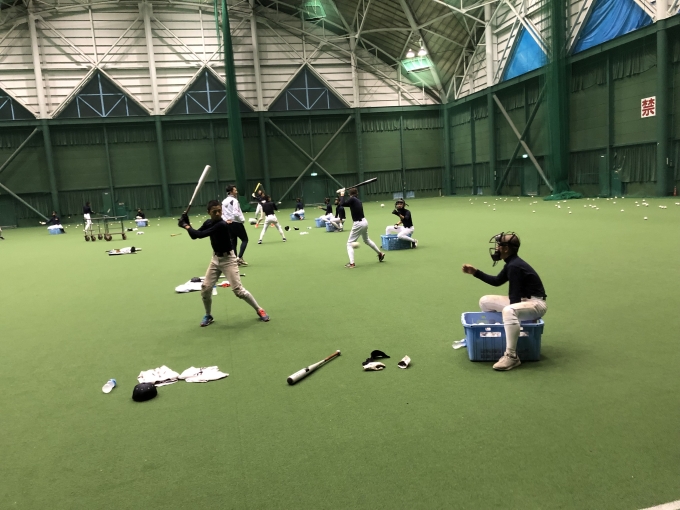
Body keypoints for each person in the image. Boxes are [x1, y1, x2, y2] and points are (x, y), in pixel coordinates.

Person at [462, 232, 547, 371]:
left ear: (506, 249)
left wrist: (511, 312)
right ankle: (495, 336)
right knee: (485, 301)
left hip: (536, 305)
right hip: (525, 301)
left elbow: (514, 295)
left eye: (499, 245)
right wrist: (475, 272)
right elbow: (497, 281)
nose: (496, 248)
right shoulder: (511, 263)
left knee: (509, 310)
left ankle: (511, 356)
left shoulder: (514, 266)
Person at [178, 200, 270, 326]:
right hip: (215, 259)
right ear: (208, 212)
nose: (217, 213)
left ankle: (259, 310)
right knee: (205, 288)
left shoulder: (222, 224)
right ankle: (208, 315)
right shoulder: (208, 222)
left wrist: (185, 225)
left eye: (219, 211)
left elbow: (200, 234)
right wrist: (187, 222)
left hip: (229, 260)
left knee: (238, 291)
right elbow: (194, 235)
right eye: (214, 211)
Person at [338, 187, 385, 268]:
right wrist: (341, 195)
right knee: (366, 240)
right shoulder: (357, 200)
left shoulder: (352, 199)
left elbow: (342, 204)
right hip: (364, 222)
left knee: (349, 244)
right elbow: (344, 204)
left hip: (358, 224)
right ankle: (380, 253)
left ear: (350, 194)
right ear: (357, 194)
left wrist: (342, 194)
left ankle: (352, 263)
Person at [222, 185, 249, 267]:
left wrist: (226, 220)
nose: (236, 192)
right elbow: (236, 213)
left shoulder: (224, 201)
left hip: (228, 224)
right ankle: (239, 258)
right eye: (235, 190)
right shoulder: (235, 201)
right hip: (236, 223)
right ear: (231, 192)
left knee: (233, 242)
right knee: (245, 239)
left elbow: (222, 214)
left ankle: (234, 260)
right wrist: (242, 220)